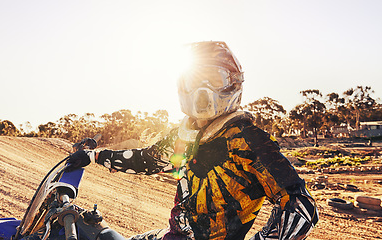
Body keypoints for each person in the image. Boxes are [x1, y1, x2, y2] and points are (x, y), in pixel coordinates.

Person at [67, 41, 319, 240]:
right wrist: (93, 155)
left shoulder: (248, 140)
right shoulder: (185, 133)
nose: (203, 91)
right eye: (194, 80)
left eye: (214, 80)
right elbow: (150, 160)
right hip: (172, 235)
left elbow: (301, 207)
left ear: (233, 84)